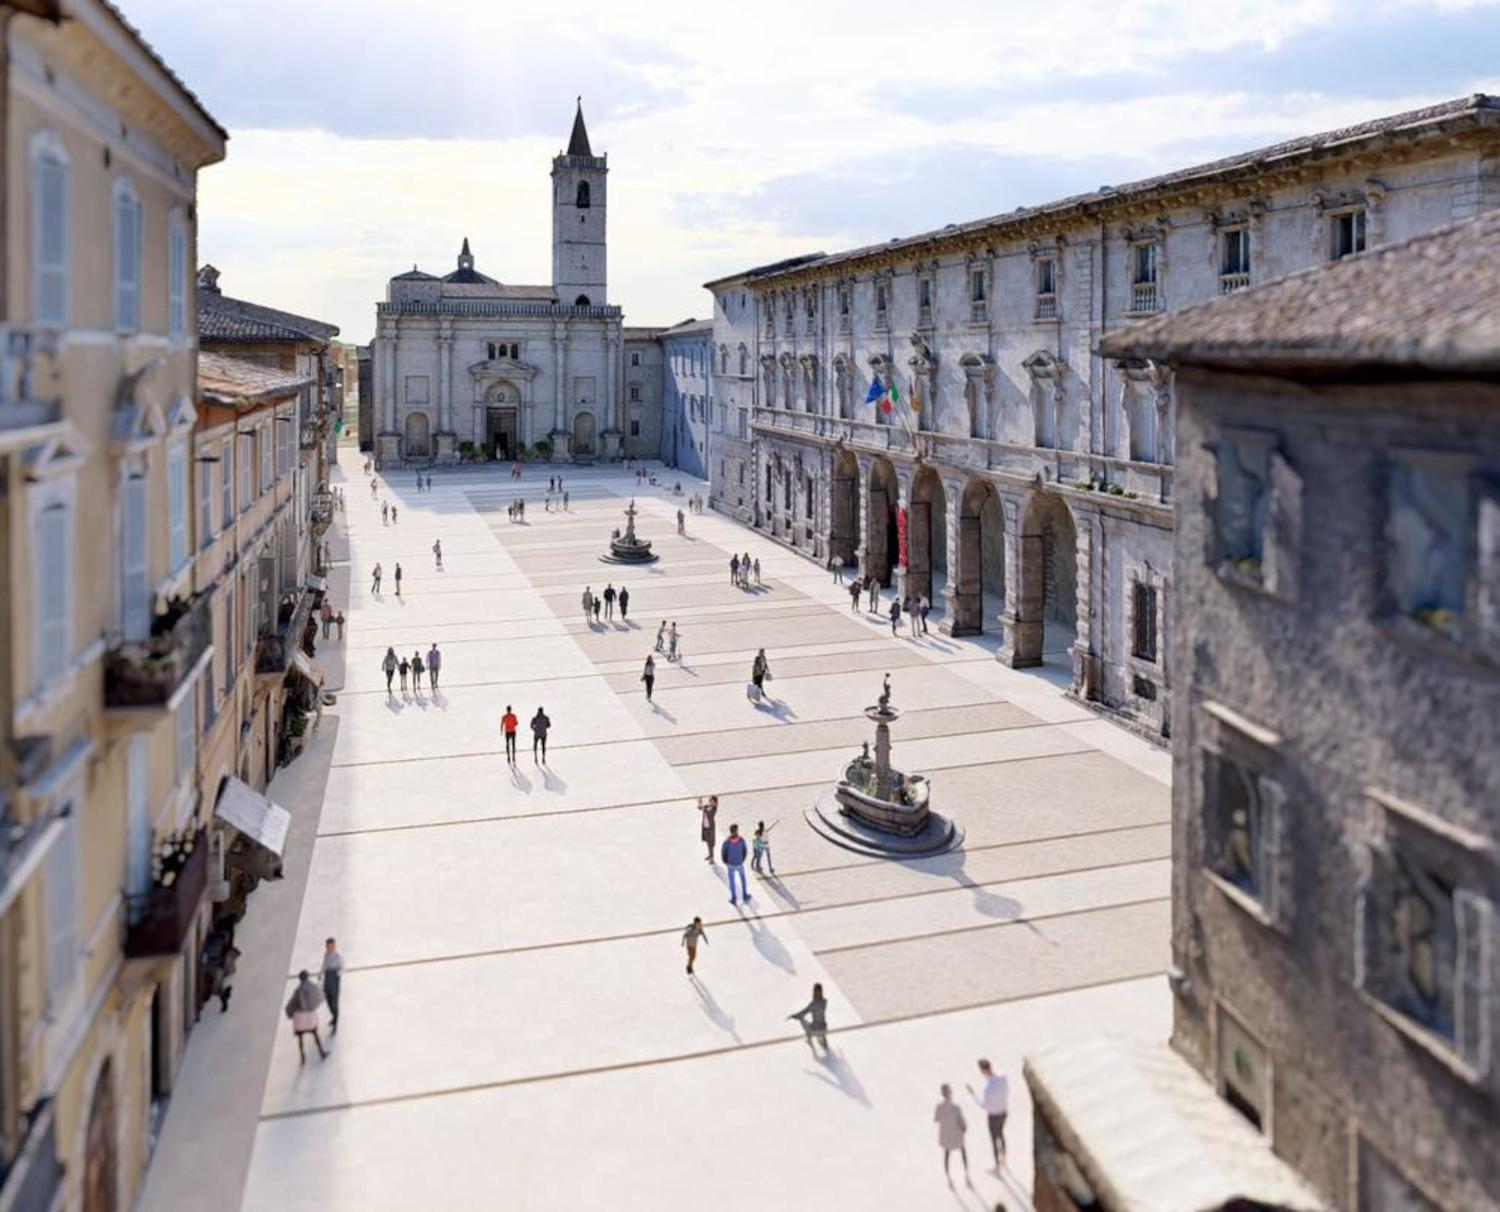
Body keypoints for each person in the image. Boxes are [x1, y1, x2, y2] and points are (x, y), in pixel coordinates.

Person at [967, 1060, 1009, 1169]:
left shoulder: (988, 1088)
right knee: (1000, 1134)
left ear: (983, 1070)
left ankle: (997, 1163)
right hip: (1003, 1112)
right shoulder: (1002, 1079)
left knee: (994, 1138)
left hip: (993, 1115)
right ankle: (1004, 1158)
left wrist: (973, 1095)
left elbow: (984, 1105)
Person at [285, 970, 328, 1063]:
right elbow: (319, 995)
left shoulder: (297, 991)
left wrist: (289, 1013)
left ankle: (302, 1057)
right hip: (309, 1018)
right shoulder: (312, 987)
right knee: (315, 1034)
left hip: (299, 1020)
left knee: (300, 1039)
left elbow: (291, 1005)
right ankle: (321, 1052)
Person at [934, 1084, 969, 1184]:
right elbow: (962, 1122)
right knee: (963, 1151)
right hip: (956, 1134)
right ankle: (966, 1172)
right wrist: (964, 1128)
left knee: (947, 1154)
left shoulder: (939, 1107)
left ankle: (948, 1174)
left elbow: (936, 1119)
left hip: (946, 1134)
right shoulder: (956, 1108)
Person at [789, 983, 828, 1054]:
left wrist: (794, 1016)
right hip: (824, 1027)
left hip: (815, 1029)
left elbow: (803, 1012)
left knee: (802, 1019)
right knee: (818, 1023)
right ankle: (823, 1038)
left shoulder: (813, 1004)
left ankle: (809, 1038)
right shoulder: (824, 1002)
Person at [722, 823, 751, 904]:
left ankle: (734, 898)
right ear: (736, 830)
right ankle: (744, 895)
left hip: (730, 864)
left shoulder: (727, 841)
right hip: (739, 863)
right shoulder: (741, 840)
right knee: (743, 879)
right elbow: (745, 850)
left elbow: (723, 852)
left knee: (732, 882)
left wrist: (725, 861)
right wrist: (742, 859)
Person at [321, 938, 344, 1033]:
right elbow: (324, 965)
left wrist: (337, 974)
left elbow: (342, 968)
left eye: (329, 946)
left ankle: (335, 1023)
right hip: (327, 978)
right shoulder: (326, 955)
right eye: (327, 946)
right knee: (328, 1000)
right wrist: (321, 973)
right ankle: (334, 1017)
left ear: (334, 946)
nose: (328, 948)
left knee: (334, 1003)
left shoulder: (338, 956)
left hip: (334, 979)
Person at [698, 795, 718, 863]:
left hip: (710, 828)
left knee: (711, 843)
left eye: (712, 801)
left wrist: (702, 807)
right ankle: (710, 855)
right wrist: (699, 802)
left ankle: (712, 858)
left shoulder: (714, 809)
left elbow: (708, 813)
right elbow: (700, 807)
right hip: (705, 827)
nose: (710, 802)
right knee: (707, 842)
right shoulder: (707, 806)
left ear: (715, 802)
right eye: (710, 800)